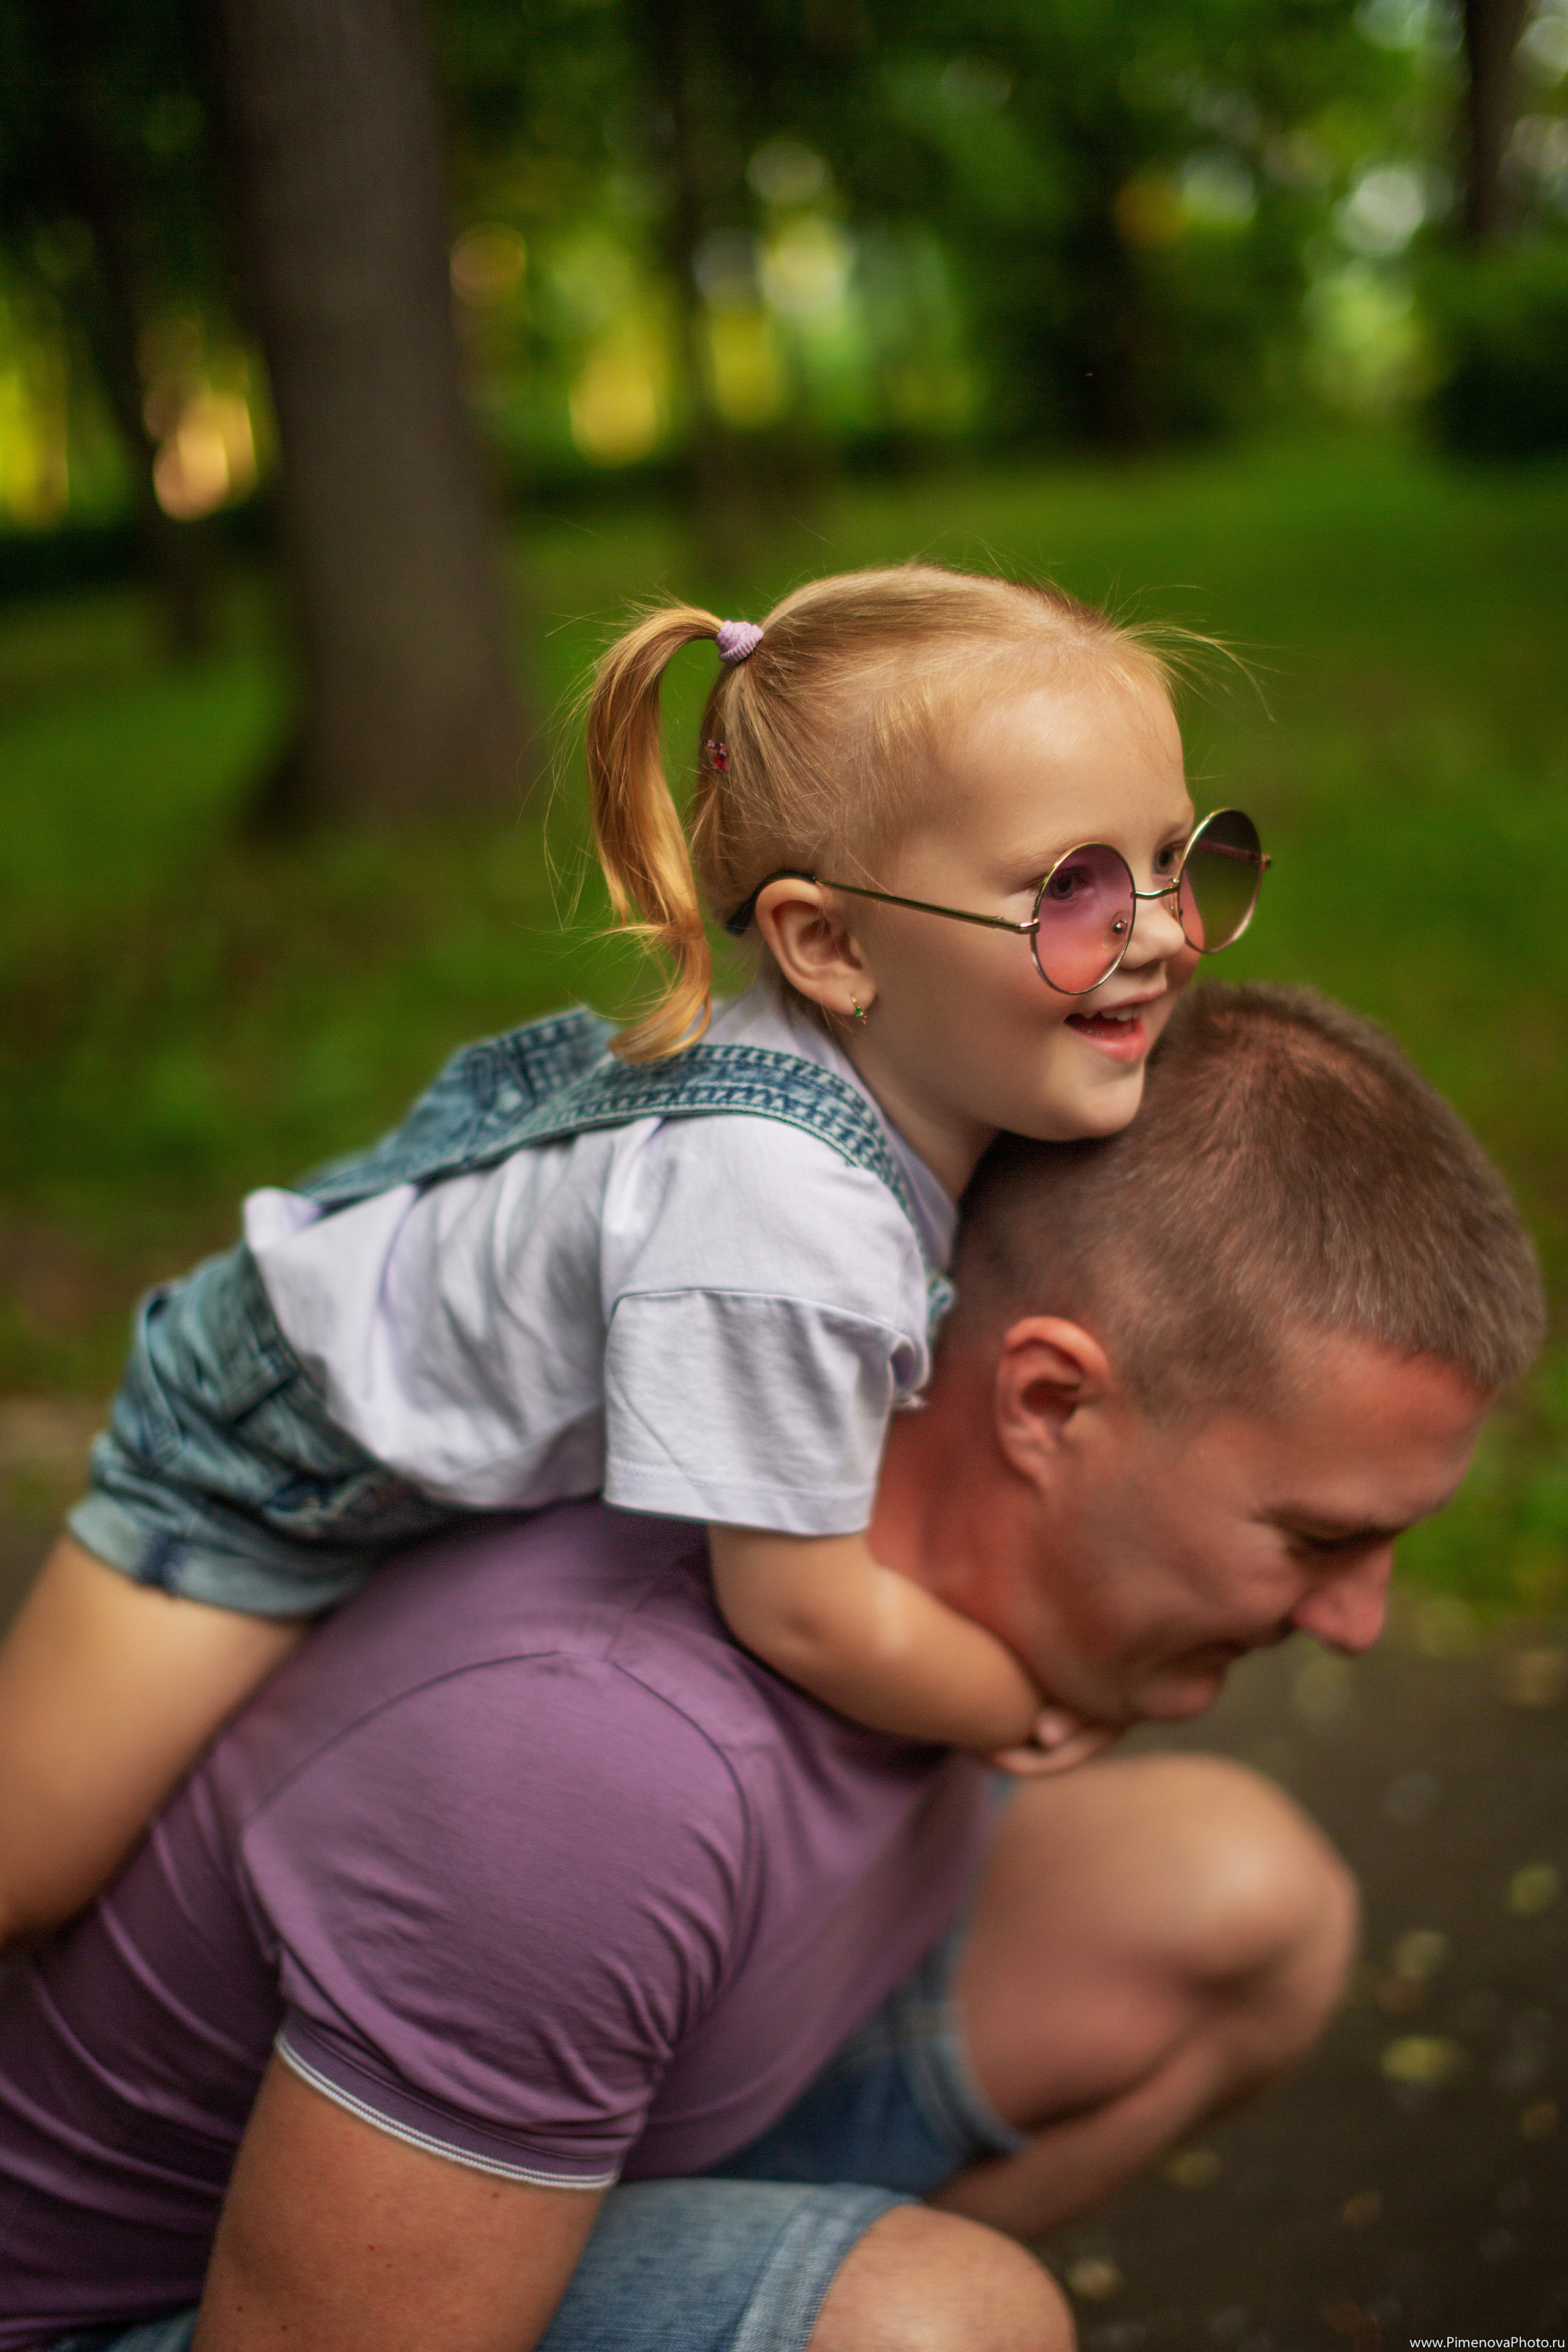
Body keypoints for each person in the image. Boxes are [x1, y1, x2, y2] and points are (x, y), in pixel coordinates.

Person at [0, 984, 1543, 2352]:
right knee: (939, 2330)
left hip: (617, 2109)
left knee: (1237, 1900)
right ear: (1047, 1404)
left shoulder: (909, 1580)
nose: (1357, 1621)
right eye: (1316, 1539)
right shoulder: (596, 1760)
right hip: (136, 2315)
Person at [0, 567, 1273, 1943]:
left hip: (392, 1388)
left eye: (1172, 857)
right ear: (828, 944)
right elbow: (804, 1613)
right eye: (1072, 889)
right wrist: (1019, 1697)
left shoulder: (910, 1075)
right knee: (26, 1870)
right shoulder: (782, 1219)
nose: (1161, 931)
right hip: (262, 1468)